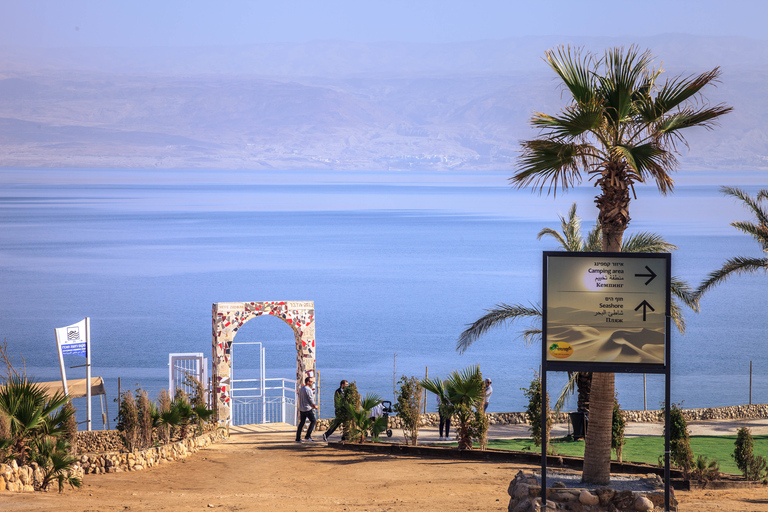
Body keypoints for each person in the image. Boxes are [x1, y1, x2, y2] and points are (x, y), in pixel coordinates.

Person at [295, 376, 318, 442]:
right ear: (308, 382)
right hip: (307, 409)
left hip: (302, 408)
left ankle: (298, 438)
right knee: (313, 421)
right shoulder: (308, 390)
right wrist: (314, 406)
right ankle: (307, 436)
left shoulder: (301, 389)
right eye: (311, 382)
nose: (312, 383)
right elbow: (311, 399)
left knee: (301, 423)